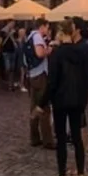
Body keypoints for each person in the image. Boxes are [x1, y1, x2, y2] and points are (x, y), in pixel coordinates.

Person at [37, 20, 88, 176]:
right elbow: (86, 78)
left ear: (60, 33)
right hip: (78, 100)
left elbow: (52, 82)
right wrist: (84, 100)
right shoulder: (82, 51)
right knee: (77, 138)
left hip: (61, 100)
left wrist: (42, 103)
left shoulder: (57, 54)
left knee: (61, 138)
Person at [26, 19, 54, 149]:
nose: (47, 30)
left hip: (32, 74)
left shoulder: (30, 36)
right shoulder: (37, 37)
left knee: (34, 106)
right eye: (47, 27)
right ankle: (48, 140)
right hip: (40, 74)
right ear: (42, 26)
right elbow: (40, 53)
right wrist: (49, 50)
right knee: (44, 106)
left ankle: (34, 137)